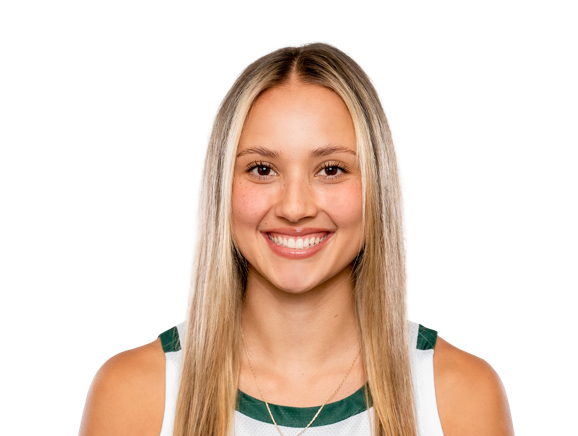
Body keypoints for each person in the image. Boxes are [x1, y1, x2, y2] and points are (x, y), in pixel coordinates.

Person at [78, 42, 513, 436]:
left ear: (376, 186)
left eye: (331, 169)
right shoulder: (134, 394)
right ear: (222, 187)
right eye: (262, 169)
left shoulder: (460, 396)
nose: (294, 206)